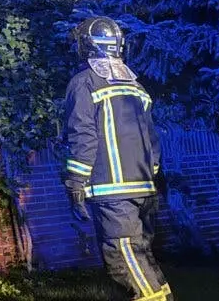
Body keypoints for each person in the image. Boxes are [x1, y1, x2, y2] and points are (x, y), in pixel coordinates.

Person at [62, 16, 173, 301]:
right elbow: (153, 141)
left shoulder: (83, 83)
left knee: (125, 263)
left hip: (112, 194)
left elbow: (82, 135)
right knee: (141, 260)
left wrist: (76, 183)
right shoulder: (137, 87)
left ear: (86, 45)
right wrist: (152, 177)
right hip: (144, 191)